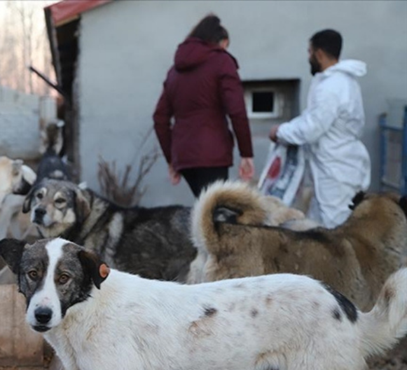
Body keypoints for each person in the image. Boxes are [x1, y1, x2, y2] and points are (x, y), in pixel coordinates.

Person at [270, 29, 370, 228]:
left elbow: (311, 128)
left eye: (310, 52)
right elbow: (312, 118)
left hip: (335, 171)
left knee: (334, 230)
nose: (308, 57)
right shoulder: (344, 82)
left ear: (319, 54)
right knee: (322, 226)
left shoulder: (331, 87)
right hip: (338, 166)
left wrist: (280, 132)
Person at [153, 14, 254, 198]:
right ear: (221, 42)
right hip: (213, 154)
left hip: (184, 157)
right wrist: (246, 153)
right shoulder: (222, 61)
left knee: (207, 212)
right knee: (216, 218)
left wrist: (171, 159)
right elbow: (237, 110)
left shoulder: (174, 71)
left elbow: (159, 118)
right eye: (225, 46)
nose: (225, 50)